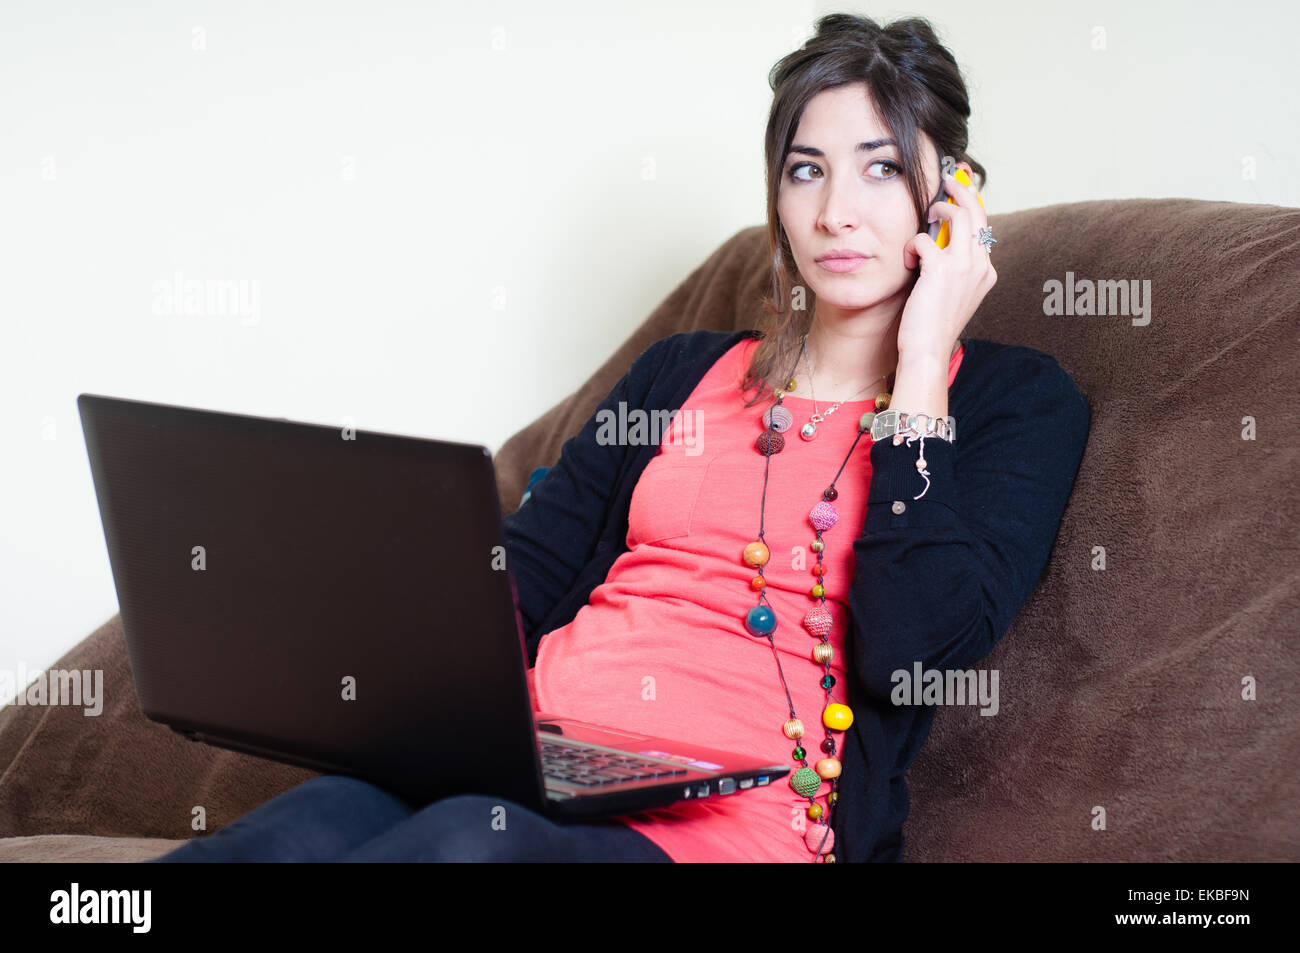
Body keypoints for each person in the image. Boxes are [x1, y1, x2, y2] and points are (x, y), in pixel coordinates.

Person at [151, 12, 1089, 864]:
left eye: (882, 167)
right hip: (536, 765)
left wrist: (922, 362)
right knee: (284, 837)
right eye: (807, 168)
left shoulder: (1014, 403)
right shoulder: (681, 371)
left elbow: (910, 649)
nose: (836, 210)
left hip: (734, 828)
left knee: (455, 854)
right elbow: (518, 580)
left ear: (953, 196)